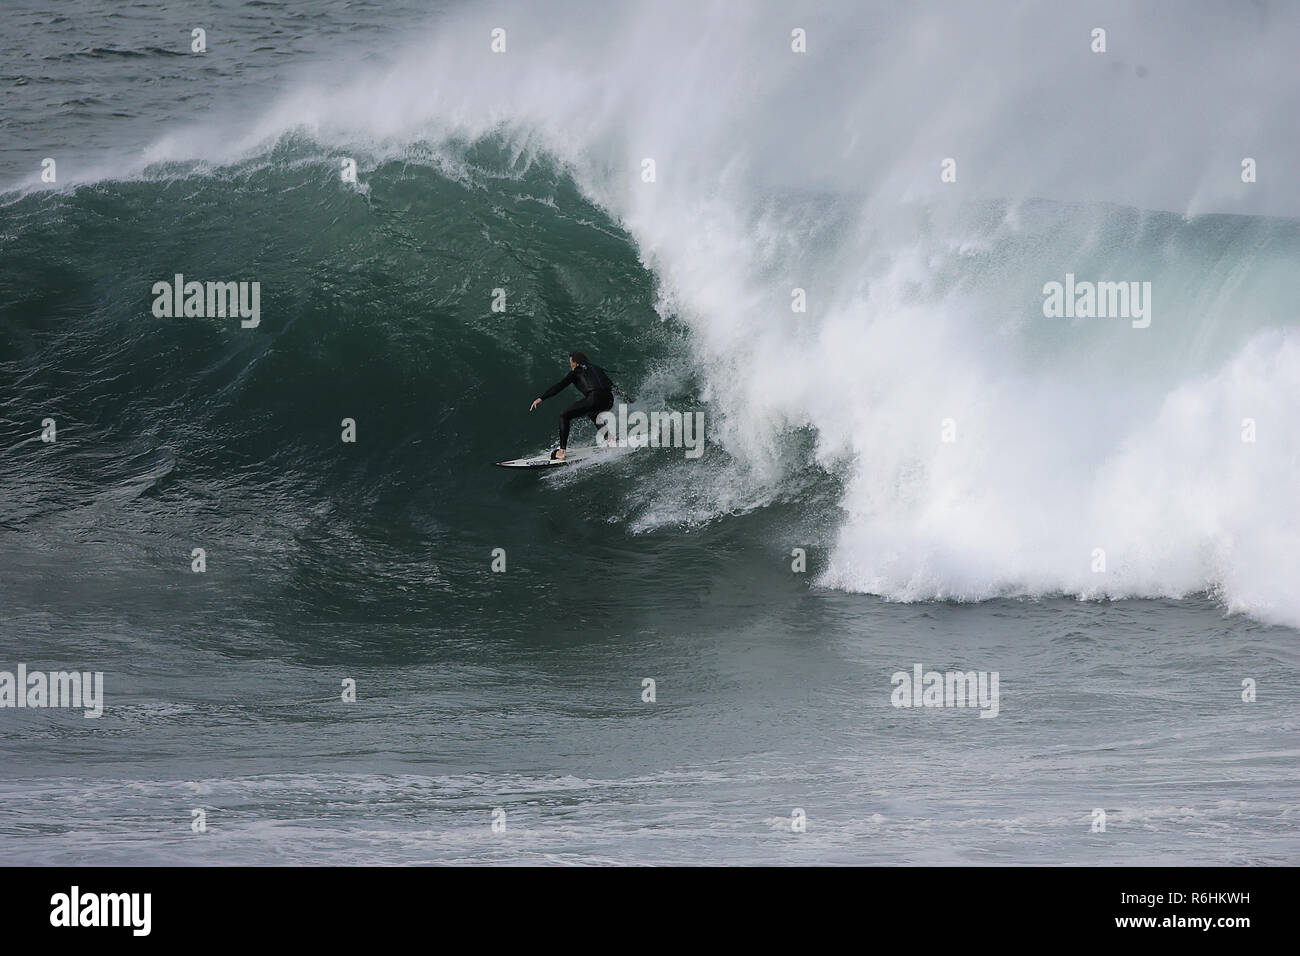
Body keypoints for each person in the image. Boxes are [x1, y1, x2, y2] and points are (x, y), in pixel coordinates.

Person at [529, 351, 615, 460]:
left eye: (571, 362)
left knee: (564, 415)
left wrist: (541, 398)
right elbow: (612, 385)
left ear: (576, 362)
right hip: (609, 400)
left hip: (594, 399)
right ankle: (609, 438)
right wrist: (628, 399)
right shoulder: (596, 368)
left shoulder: (575, 373)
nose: (571, 365)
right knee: (591, 412)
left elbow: (559, 386)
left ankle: (561, 452)